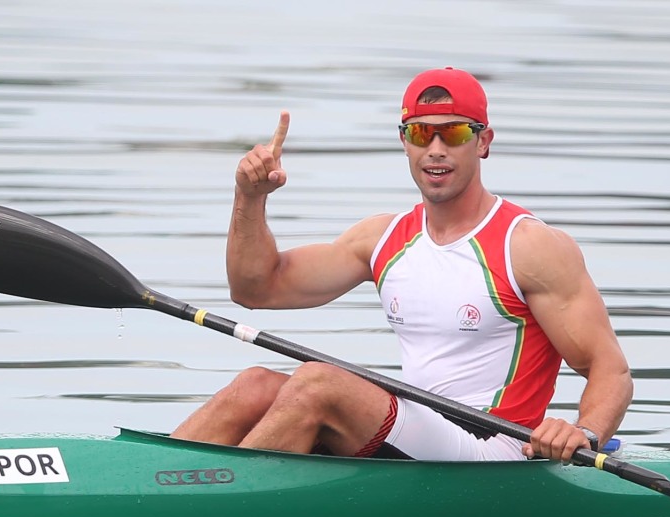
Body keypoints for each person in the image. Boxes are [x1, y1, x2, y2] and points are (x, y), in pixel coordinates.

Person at [171, 67, 632, 463]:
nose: (435, 148)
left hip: (494, 447)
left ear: (483, 142)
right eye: (419, 133)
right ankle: (146, 478)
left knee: (318, 384)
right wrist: (249, 199)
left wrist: (585, 433)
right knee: (254, 383)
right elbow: (257, 288)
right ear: (404, 142)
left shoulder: (529, 246)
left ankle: (212, 502)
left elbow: (610, 368)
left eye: (452, 133)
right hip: (421, 429)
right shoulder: (383, 238)